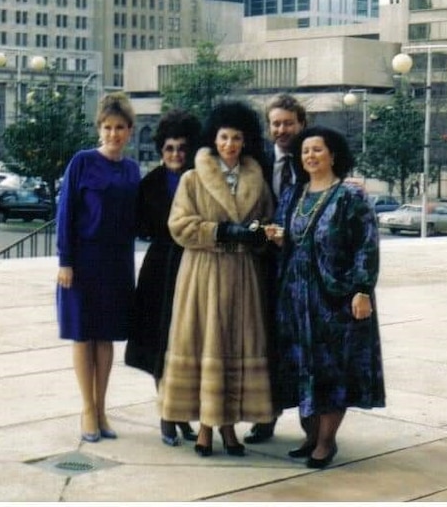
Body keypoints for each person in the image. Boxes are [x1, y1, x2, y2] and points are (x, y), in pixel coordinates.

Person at [159, 100, 275, 457]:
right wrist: (222, 231)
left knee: (234, 348)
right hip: (203, 275)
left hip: (243, 275)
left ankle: (229, 426)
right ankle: (206, 428)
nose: (230, 144)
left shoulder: (256, 179)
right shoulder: (193, 179)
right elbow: (179, 226)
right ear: (214, 138)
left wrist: (257, 236)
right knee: (206, 345)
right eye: (224, 137)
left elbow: (267, 221)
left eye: (237, 138)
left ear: (245, 141)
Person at [265, 125, 384, 469]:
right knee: (302, 367)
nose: (310, 156)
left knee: (332, 369)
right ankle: (310, 434)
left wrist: (363, 289)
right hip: (294, 298)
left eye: (317, 150)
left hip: (335, 298)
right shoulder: (294, 194)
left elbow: (367, 244)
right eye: (305, 151)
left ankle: (326, 442)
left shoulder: (350, 195)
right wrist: (278, 237)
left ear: (333, 154)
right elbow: (293, 239)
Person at [56, 92, 141, 443]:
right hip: (82, 261)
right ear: (99, 129)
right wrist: (65, 260)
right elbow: (65, 214)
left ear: (130, 131)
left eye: (120, 128)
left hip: (116, 263)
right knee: (82, 335)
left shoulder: (132, 169)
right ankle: (87, 410)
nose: (113, 134)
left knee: (105, 337)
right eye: (107, 127)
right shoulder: (82, 162)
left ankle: (103, 407)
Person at [125, 109, 201, 447]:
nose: (175, 155)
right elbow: (138, 224)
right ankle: (167, 415)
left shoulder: (201, 180)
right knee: (159, 343)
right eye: (169, 148)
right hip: (159, 268)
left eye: (181, 148)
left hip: (193, 264)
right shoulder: (151, 183)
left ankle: (182, 413)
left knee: (187, 343)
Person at [246, 93, 308, 445]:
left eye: (288, 123)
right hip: (265, 267)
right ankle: (266, 416)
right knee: (266, 343)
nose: (282, 129)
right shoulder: (260, 161)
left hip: (301, 267)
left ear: (301, 124)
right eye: (276, 123)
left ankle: (310, 424)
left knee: (302, 345)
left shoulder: (313, 157)